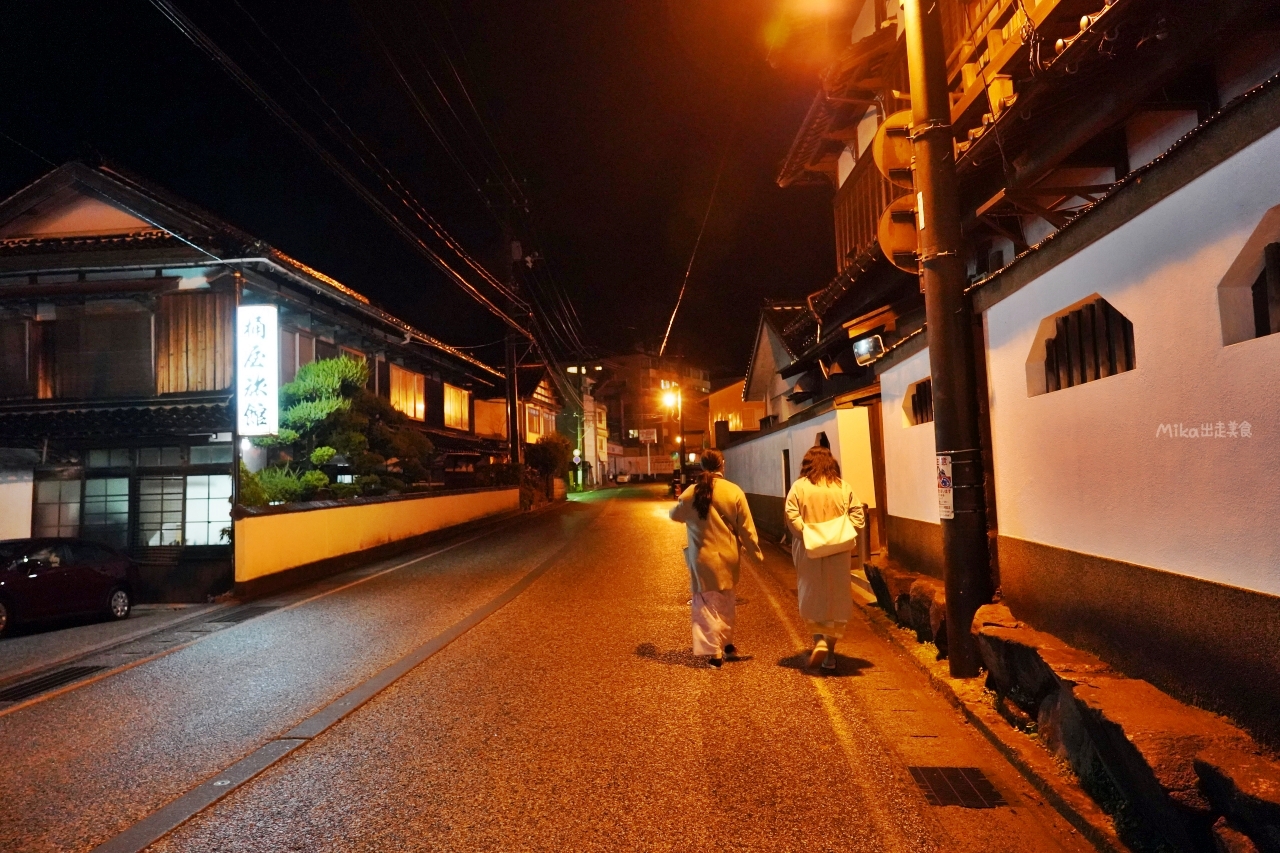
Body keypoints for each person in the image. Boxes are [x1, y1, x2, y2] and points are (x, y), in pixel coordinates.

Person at [669, 449, 763, 668]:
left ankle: (715, 653)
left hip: (703, 560)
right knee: (727, 602)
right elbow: (746, 528)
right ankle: (728, 644)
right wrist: (756, 553)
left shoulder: (691, 493)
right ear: (723, 465)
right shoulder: (734, 491)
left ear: (701, 466)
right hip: (729, 557)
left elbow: (675, 515)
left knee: (706, 606)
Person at [784, 444, 866, 670]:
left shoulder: (799, 488)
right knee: (836, 597)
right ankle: (830, 652)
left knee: (812, 594)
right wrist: (841, 533)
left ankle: (818, 640)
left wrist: (810, 534)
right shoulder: (842, 487)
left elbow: (791, 515)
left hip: (809, 551)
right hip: (838, 552)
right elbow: (858, 516)